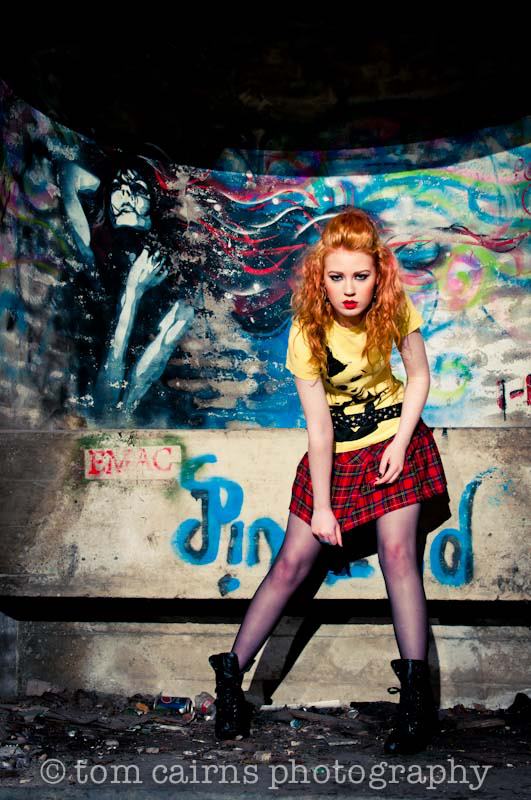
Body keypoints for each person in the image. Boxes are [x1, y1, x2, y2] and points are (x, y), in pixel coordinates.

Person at [208, 207, 450, 755]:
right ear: (321, 275)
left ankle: (415, 707)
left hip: (394, 439)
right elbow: (319, 429)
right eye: (337, 276)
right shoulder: (307, 330)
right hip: (336, 454)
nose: (349, 289)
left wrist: (400, 443)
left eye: (360, 276)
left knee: (398, 555)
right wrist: (322, 506)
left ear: (378, 273)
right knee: (292, 563)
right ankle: (229, 681)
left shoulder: (394, 307)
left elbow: (419, 377)